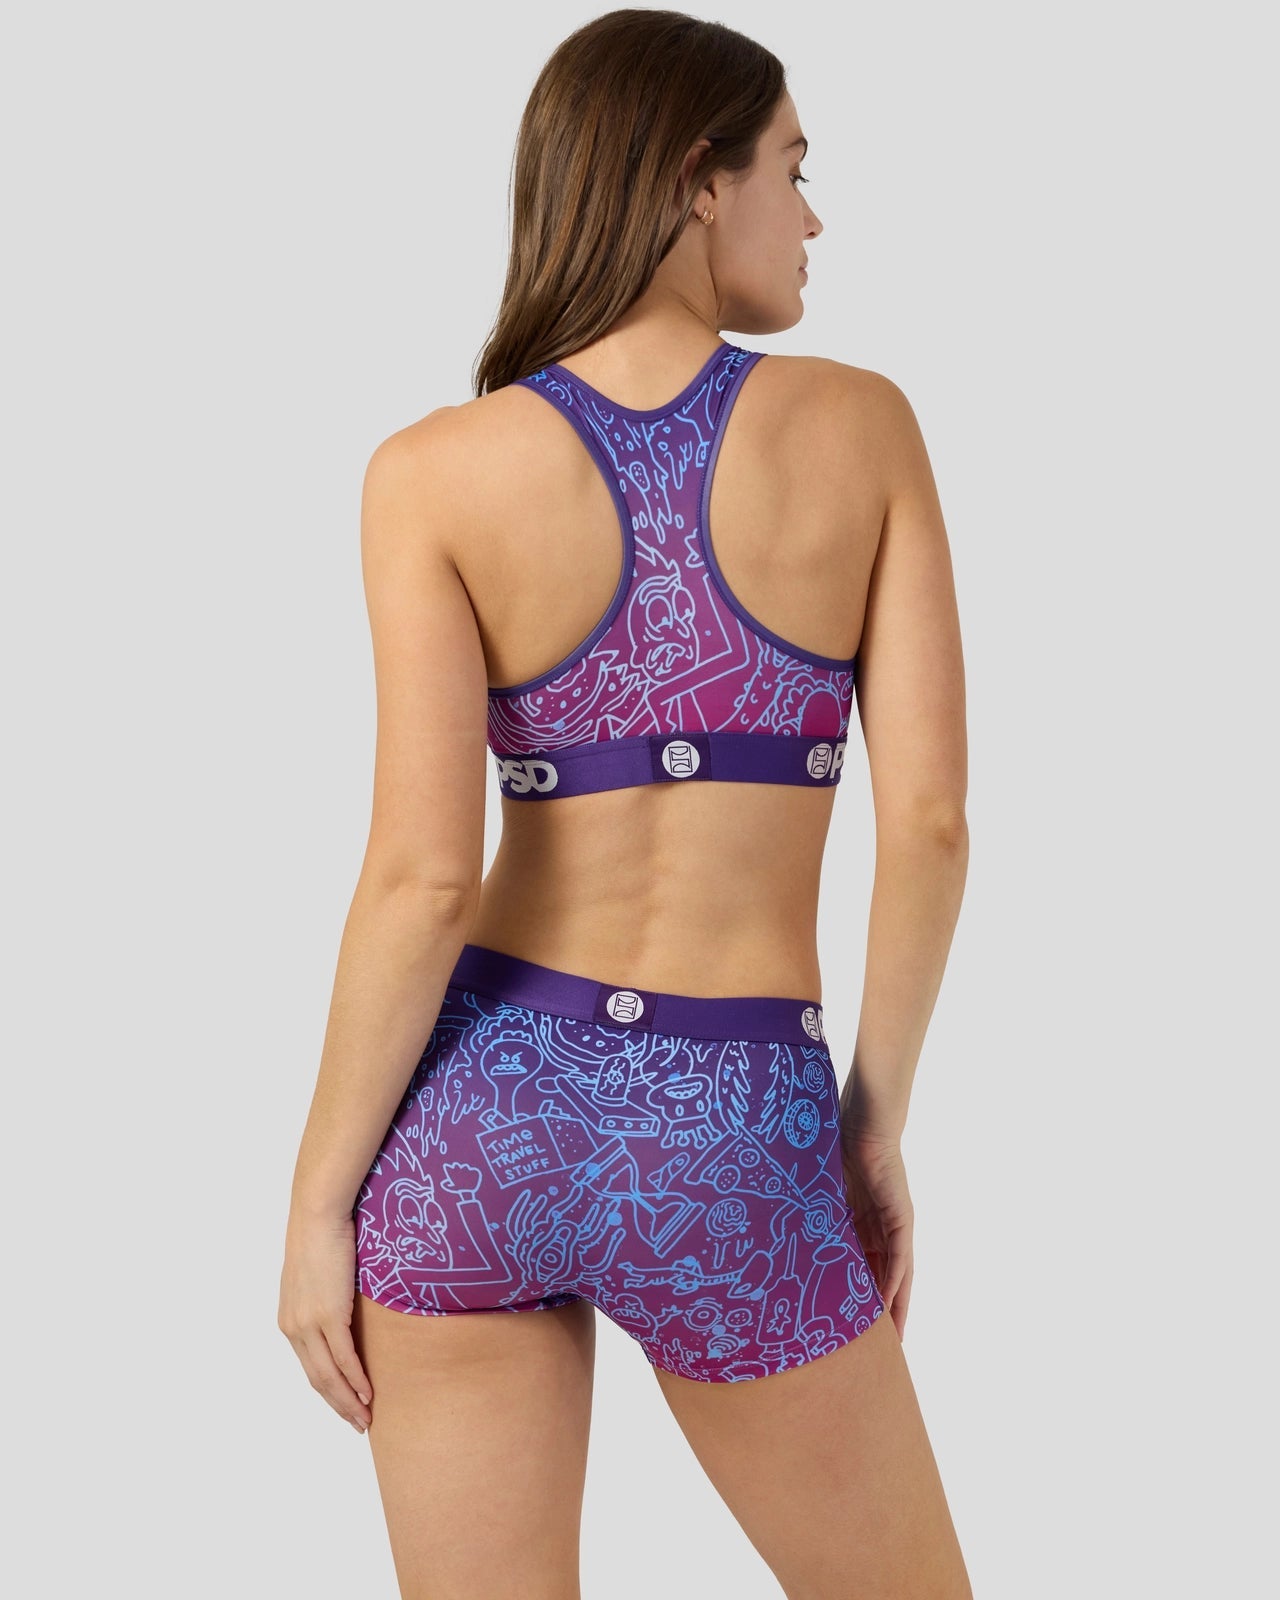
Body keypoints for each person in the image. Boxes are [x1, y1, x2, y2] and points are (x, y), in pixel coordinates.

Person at [278, 10, 972, 1597]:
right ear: (694, 181)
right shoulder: (859, 426)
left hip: (476, 1128)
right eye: (793, 168)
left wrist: (319, 1203)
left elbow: (420, 880)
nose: (813, 217)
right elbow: (930, 822)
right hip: (730, 1128)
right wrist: (871, 1124)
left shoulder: (430, 471)